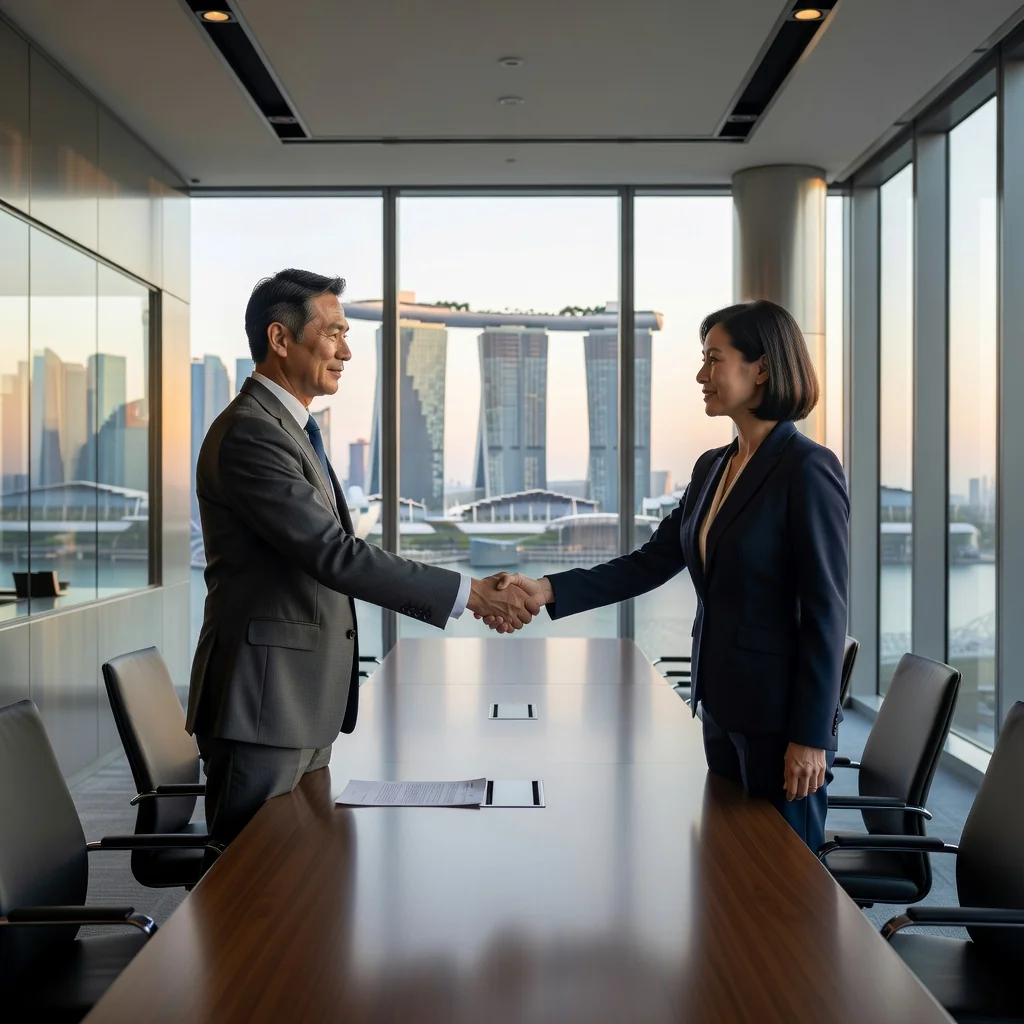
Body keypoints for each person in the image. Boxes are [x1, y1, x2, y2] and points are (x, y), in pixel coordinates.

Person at [187, 269, 539, 851]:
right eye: (333, 333)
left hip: (298, 700)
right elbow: (333, 554)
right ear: (280, 339)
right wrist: (471, 594)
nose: (346, 351)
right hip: (264, 706)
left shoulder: (291, 429)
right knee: (253, 890)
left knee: (301, 877)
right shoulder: (253, 433)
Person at [482, 300, 849, 851]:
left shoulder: (808, 468)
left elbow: (826, 611)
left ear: (763, 368)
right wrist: (548, 589)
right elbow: (652, 561)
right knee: (726, 864)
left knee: (784, 882)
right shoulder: (714, 467)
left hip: (779, 720)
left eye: (714, 359)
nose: (702, 375)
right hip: (722, 705)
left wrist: (811, 737)